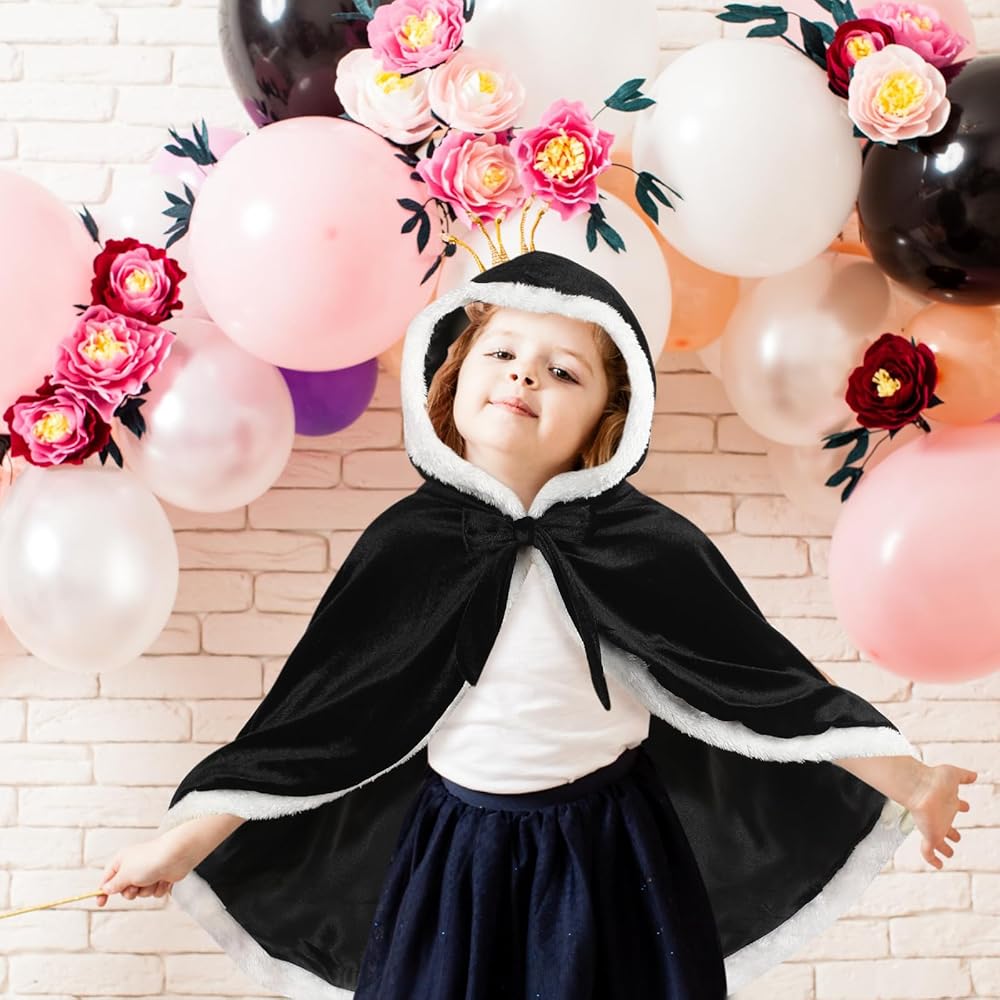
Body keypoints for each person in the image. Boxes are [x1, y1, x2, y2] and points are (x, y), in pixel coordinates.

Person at [95, 237, 976, 999]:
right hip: (456, 859)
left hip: (612, 855)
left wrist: (913, 781)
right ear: (451, 376)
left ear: (605, 421)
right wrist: (182, 846)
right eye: (503, 352)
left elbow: (765, 689)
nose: (524, 374)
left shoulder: (645, 546)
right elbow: (316, 724)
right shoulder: (408, 545)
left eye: (564, 371)